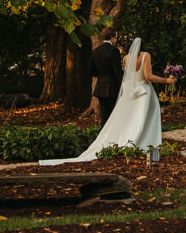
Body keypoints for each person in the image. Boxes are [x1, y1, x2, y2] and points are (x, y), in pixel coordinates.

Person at [39, 37, 176, 166]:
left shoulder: (126, 58)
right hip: (144, 92)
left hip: (129, 93)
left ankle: (129, 140)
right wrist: (166, 80)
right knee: (146, 119)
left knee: (129, 119)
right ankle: (148, 145)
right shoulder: (146, 55)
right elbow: (148, 76)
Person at [90, 28, 124, 128]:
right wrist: (124, 85)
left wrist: (102, 75)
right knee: (117, 115)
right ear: (112, 37)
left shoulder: (95, 51)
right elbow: (117, 71)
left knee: (105, 117)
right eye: (116, 37)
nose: (116, 40)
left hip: (100, 88)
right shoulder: (114, 51)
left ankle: (103, 140)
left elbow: (92, 71)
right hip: (112, 88)